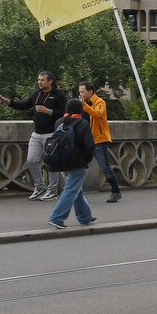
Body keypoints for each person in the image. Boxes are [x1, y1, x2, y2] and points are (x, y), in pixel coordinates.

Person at [0, 71, 67, 201]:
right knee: (31, 160)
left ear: (50, 81)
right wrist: (7, 102)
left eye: (42, 80)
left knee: (51, 163)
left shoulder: (59, 96)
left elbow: (64, 113)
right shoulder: (37, 94)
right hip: (36, 133)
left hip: (51, 134)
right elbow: (24, 105)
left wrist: (48, 111)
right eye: (39, 80)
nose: (39, 82)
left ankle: (52, 190)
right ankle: (40, 187)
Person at [45, 98, 98, 228]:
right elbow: (89, 145)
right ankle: (56, 218)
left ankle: (84, 216)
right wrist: (86, 160)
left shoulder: (59, 122)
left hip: (61, 162)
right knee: (70, 189)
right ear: (80, 110)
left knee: (75, 189)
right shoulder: (82, 123)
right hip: (77, 162)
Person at [79, 81, 122, 203]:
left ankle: (116, 191)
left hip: (98, 140)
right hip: (85, 140)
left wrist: (84, 106)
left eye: (82, 91)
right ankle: (75, 191)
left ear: (90, 92)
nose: (80, 94)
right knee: (78, 165)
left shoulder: (100, 102)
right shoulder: (82, 104)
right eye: (79, 92)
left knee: (104, 167)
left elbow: (98, 114)